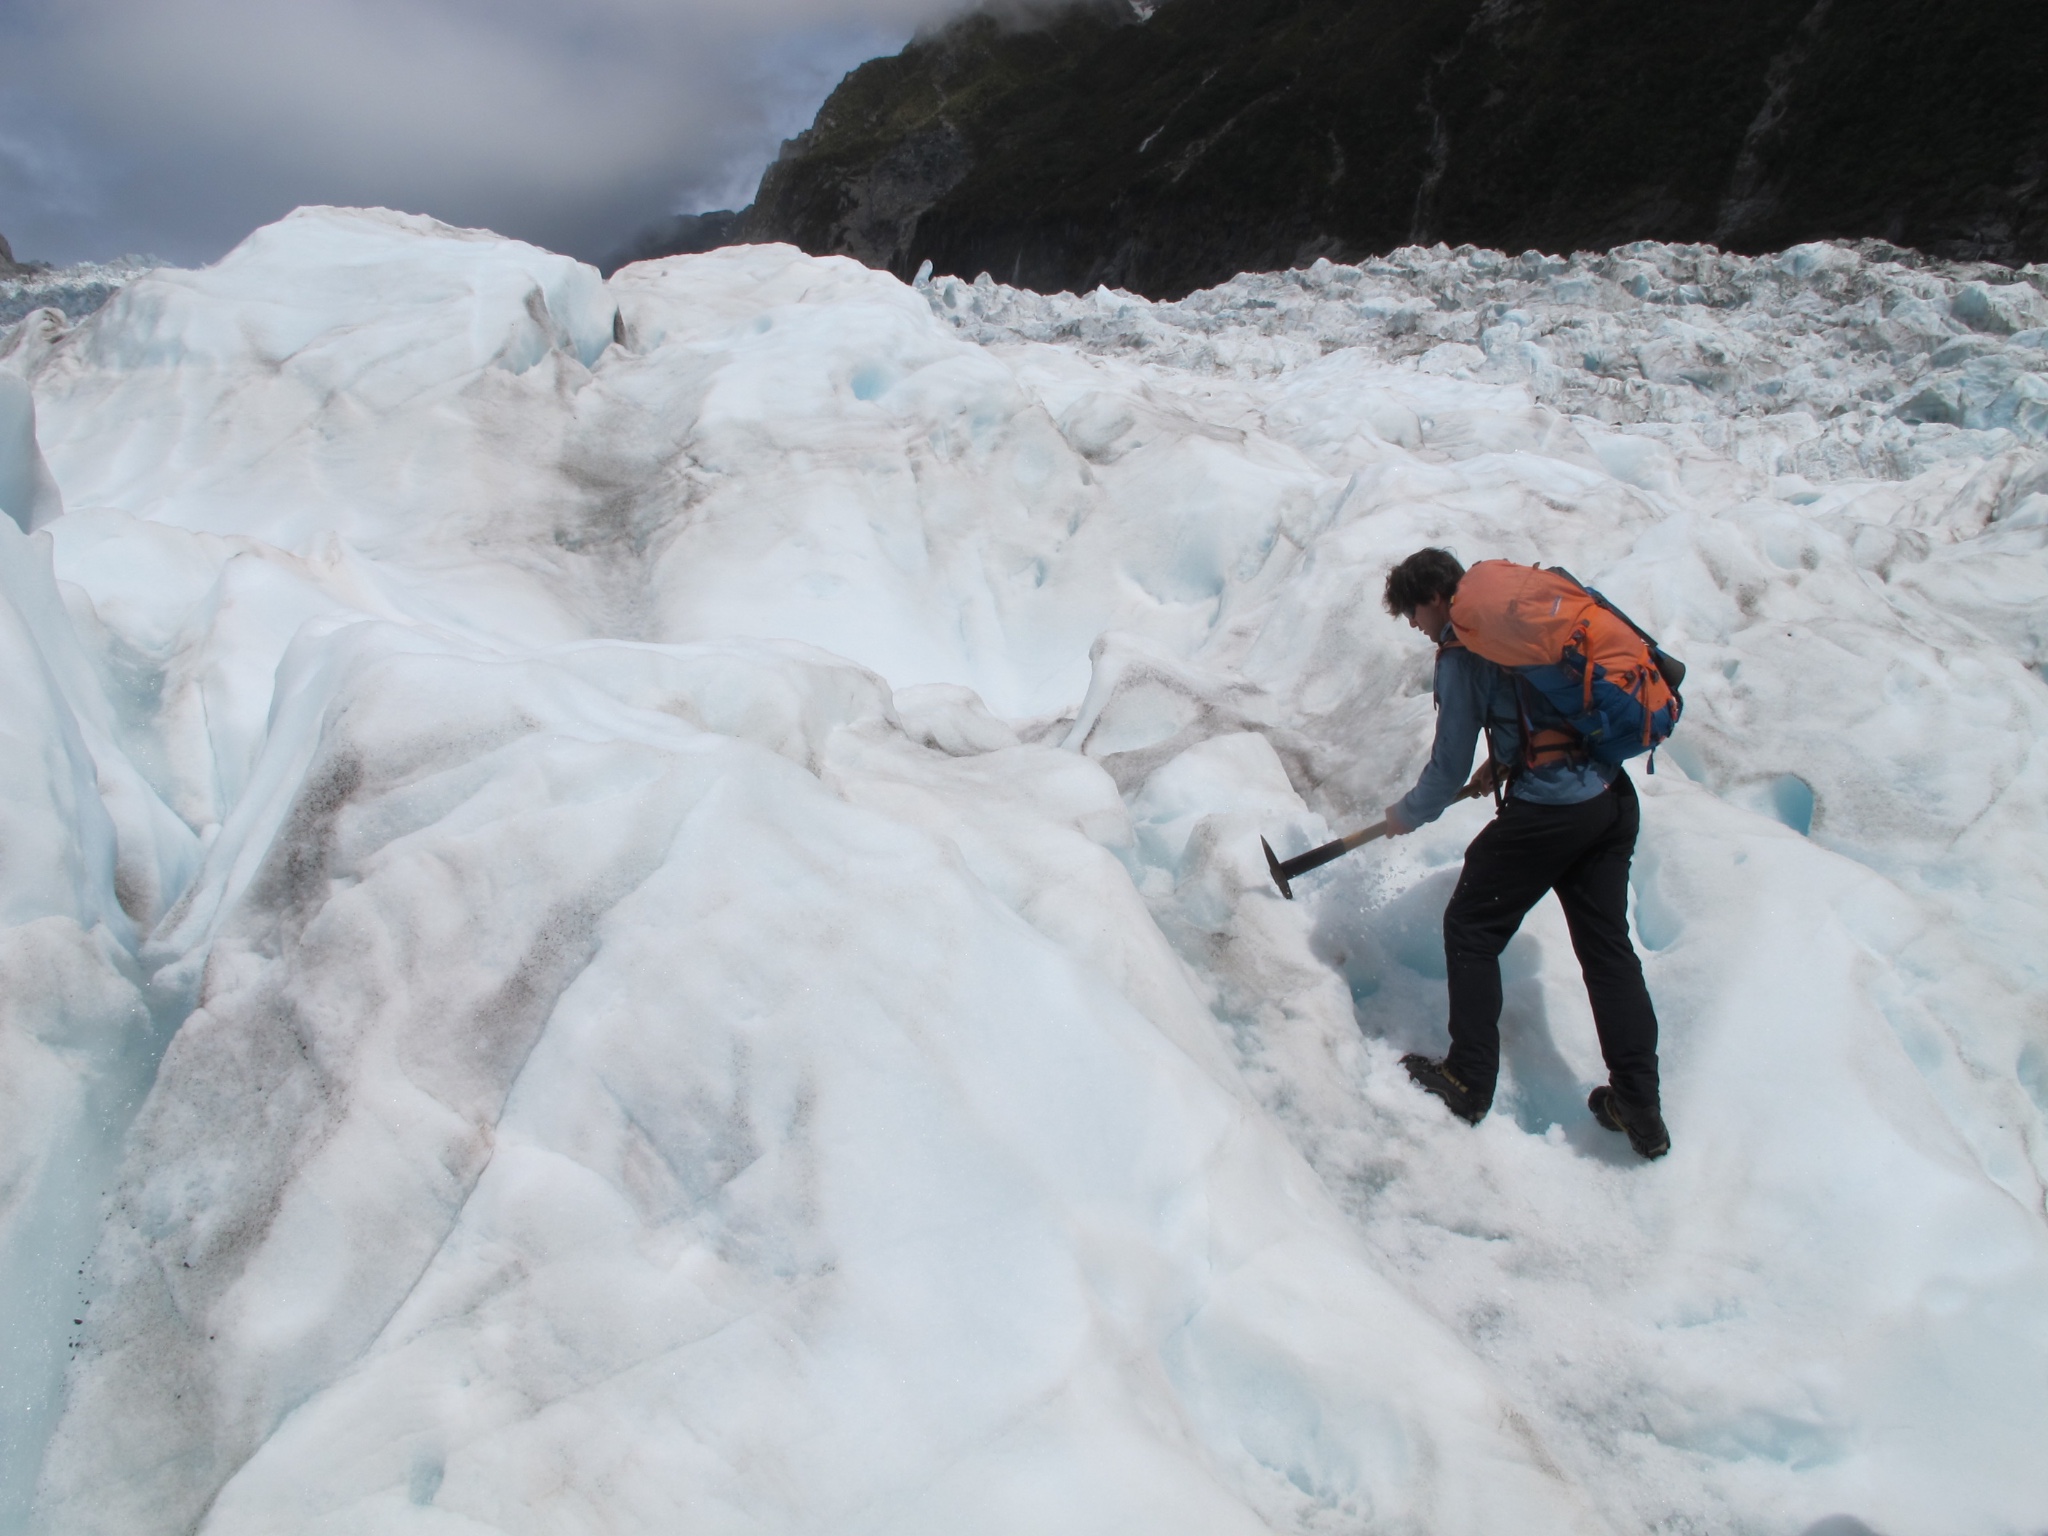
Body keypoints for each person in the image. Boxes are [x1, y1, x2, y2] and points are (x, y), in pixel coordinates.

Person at [1379, 547, 1669, 1159]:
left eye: (1413, 613)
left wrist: (1408, 813)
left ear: (1434, 598)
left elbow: (1446, 763)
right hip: (1610, 797)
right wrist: (1506, 758)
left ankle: (1468, 1080)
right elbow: (1549, 706)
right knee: (1608, 953)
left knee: (1470, 925)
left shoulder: (1465, 647)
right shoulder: (1523, 625)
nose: (1416, 626)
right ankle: (1639, 1103)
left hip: (1552, 812)